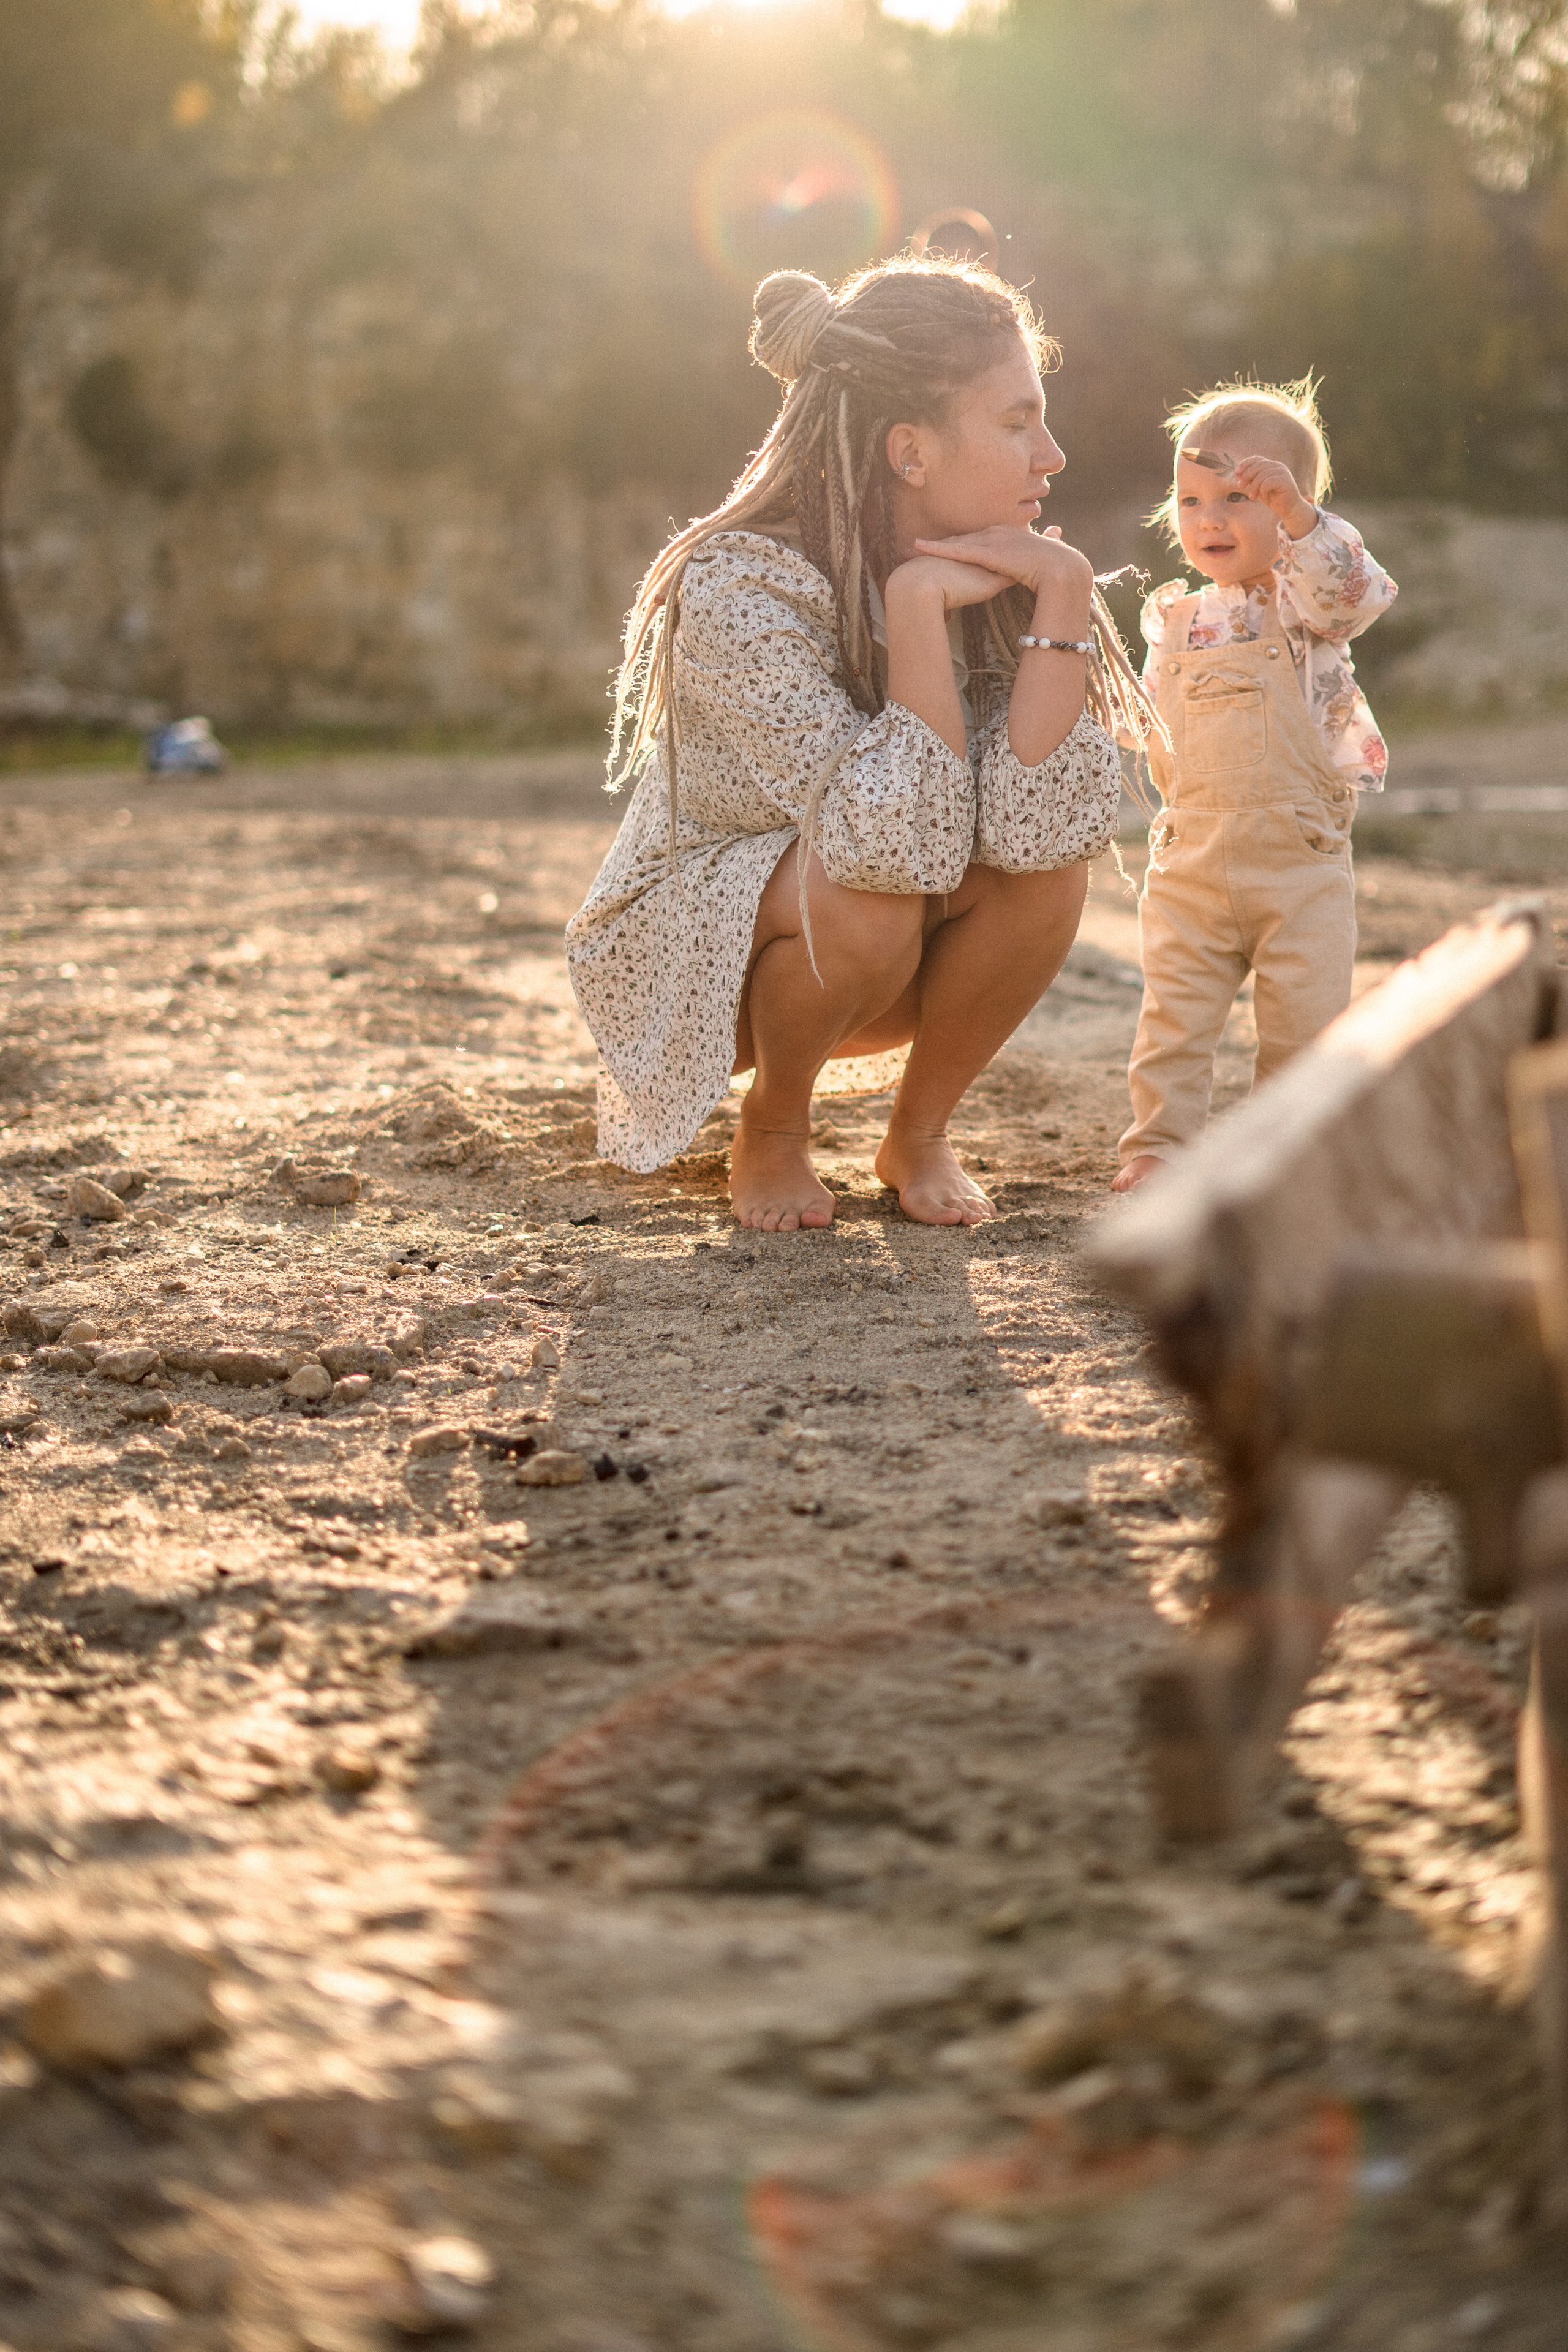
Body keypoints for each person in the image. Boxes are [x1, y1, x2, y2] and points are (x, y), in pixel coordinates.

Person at [567, 256, 1155, 1233]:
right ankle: (774, 1129)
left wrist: (1063, 593)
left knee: (1047, 873)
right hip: (702, 952)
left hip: (879, 916)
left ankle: (918, 1135)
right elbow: (879, 841)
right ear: (910, 452)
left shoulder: (1005, 574)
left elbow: (1041, 824)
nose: (1051, 456)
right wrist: (915, 609)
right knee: (868, 887)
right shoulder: (740, 587)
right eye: (1018, 423)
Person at [1112, 379, 1398, 1193]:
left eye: (1239, 496)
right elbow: (1141, 723)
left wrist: (1304, 524)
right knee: (1173, 1015)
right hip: (1192, 852)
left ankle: (1286, 1150)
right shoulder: (1174, 620)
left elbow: (1355, 594)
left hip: (1297, 859)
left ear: (1290, 506)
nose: (1210, 518)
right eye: (1191, 500)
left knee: (1304, 1021)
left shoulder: (1308, 604)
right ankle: (1159, 1143)